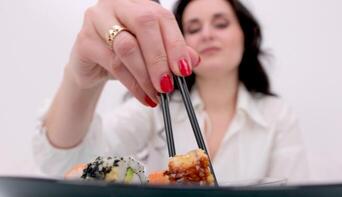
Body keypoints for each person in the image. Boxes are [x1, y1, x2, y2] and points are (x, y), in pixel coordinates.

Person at [33, 0, 308, 185]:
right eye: (193, 28)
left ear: (246, 36)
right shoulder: (155, 105)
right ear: (177, 42)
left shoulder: (277, 116)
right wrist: (81, 82)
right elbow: (68, 166)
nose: (207, 34)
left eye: (221, 24)